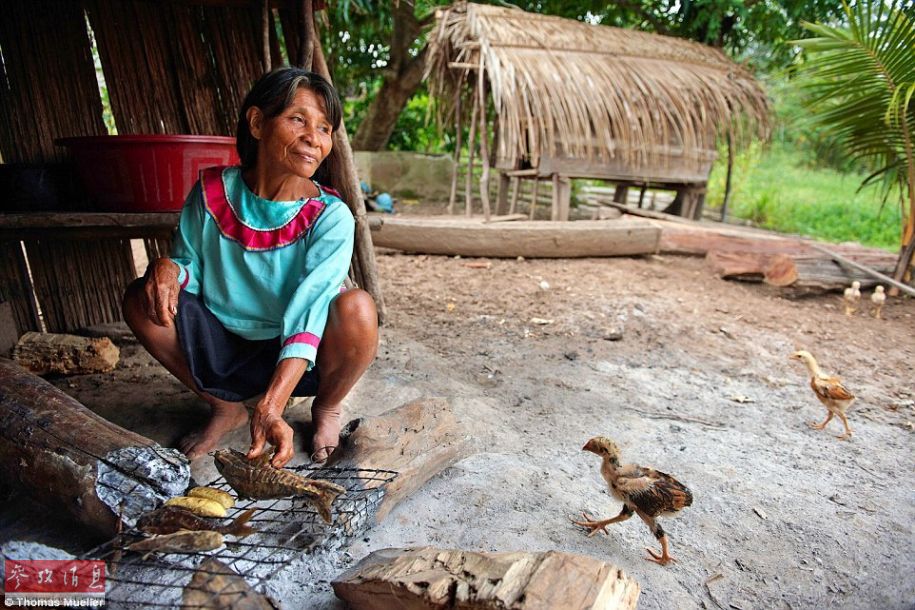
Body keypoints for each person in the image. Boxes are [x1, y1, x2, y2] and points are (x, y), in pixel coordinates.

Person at [122, 68, 378, 469]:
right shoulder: (210, 192)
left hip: (294, 353)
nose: (314, 137)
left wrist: (273, 405)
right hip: (219, 343)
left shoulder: (331, 216)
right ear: (258, 122)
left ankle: (326, 408)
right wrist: (168, 267)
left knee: (358, 309)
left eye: (325, 128)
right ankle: (225, 408)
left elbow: (311, 308)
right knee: (142, 298)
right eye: (298, 119)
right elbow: (192, 268)